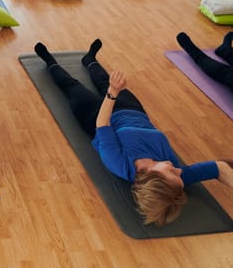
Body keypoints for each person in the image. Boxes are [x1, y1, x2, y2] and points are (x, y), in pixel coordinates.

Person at [33, 39, 233, 226]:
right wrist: (113, 90)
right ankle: (89, 59)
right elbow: (219, 168)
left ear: (150, 176)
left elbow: (103, 124)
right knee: (104, 81)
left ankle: (49, 60)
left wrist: (113, 93)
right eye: (179, 174)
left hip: (96, 118)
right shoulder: (176, 179)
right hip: (132, 110)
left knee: (72, 87)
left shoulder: (119, 162)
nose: (179, 169)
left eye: (172, 172)